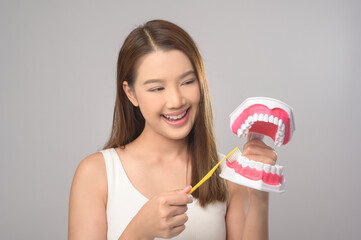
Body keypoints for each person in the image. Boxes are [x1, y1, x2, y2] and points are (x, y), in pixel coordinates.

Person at [68, 19, 278, 240]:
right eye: (157, 88)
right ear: (131, 94)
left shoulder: (227, 175)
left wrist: (259, 195)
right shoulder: (96, 173)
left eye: (187, 82)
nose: (176, 101)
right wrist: (138, 231)